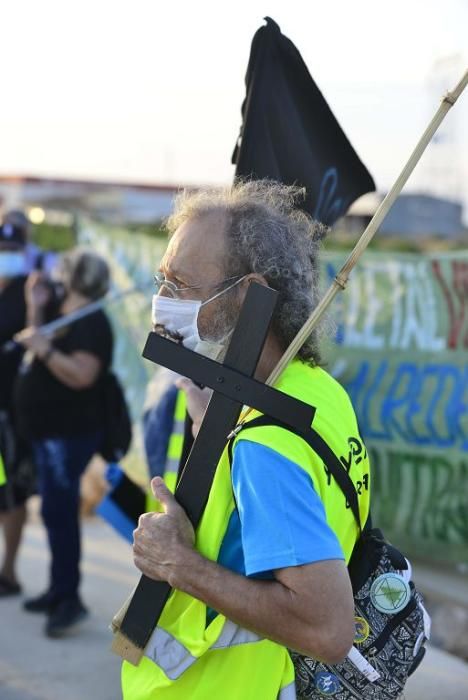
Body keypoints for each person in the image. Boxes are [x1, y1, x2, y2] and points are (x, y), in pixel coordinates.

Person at [125, 181, 371, 699]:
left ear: (247, 292)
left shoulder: (265, 445)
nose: (162, 302)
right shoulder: (313, 391)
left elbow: (327, 629)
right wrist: (212, 424)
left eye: (181, 285)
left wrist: (178, 564)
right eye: (161, 280)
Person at [14, 248, 113, 637]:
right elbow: (34, 337)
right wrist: (35, 307)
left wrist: (47, 350)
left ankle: (68, 599)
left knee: (60, 513)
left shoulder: (92, 322)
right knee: (54, 513)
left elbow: (82, 375)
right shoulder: (61, 307)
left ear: (76, 277)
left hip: (69, 434)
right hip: (46, 430)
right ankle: (58, 589)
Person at [0, 219, 33, 597]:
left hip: (12, 409)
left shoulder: (32, 292)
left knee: (11, 494)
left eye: (11, 251)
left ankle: (8, 571)